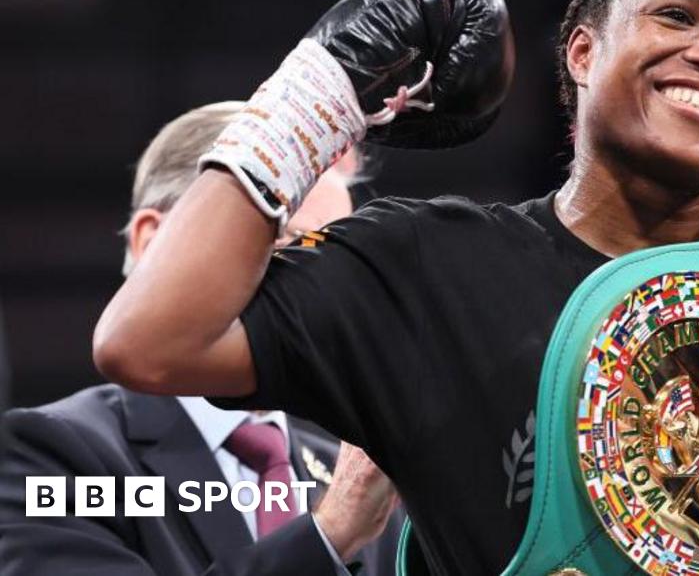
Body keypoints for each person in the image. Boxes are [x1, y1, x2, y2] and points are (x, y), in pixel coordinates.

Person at [93, 0, 699, 575]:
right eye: (678, 15)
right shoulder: (429, 270)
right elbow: (151, 339)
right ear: (580, 50)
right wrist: (327, 85)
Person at [0, 103, 403, 576]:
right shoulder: (53, 456)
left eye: (343, 261)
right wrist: (328, 536)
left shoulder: (358, 484)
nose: (328, 291)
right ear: (153, 243)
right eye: (291, 242)